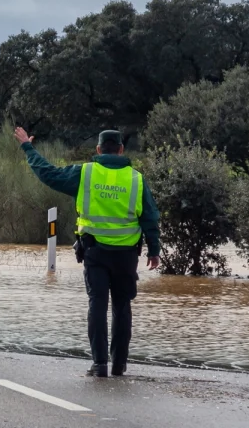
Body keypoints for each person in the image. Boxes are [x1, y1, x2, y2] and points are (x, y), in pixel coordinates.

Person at [13, 126, 160, 378]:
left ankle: (100, 364)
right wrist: (154, 250)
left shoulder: (85, 173)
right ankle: (119, 365)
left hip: (96, 253)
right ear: (122, 150)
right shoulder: (136, 179)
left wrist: (28, 147)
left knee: (97, 305)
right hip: (126, 256)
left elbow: (48, 174)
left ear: (99, 150)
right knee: (122, 308)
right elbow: (150, 217)